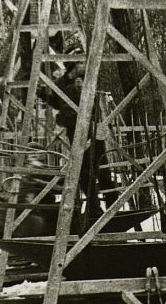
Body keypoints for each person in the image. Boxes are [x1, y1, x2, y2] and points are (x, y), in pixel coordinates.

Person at [42, 58, 116, 220]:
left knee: (101, 169)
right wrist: (43, 94)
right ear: (73, 66)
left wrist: (81, 90)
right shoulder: (62, 83)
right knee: (83, 172)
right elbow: (57, 102)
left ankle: (113, 206)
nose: (83, 66)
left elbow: (92, 104)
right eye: (80, 63)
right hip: (74, 130)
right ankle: (94, 208)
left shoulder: (86, 79)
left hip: (91, 129)